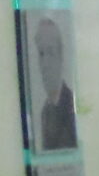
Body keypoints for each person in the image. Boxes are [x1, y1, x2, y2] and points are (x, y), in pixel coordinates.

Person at [29, 17, 75, 152]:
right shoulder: (45, 113)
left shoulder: (71, 107)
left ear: (61, 57)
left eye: (50, 52)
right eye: (41, 54)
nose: (45, 64)